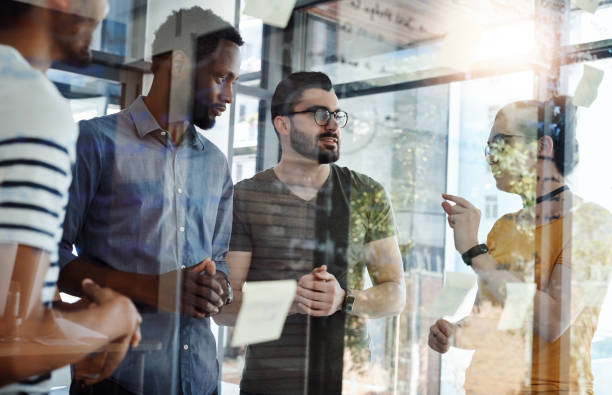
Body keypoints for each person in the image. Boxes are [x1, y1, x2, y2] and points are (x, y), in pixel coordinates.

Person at [56, 7, 243, 395]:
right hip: (116, 380)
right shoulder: (93, 143)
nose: (227, 95)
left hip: (202, 380)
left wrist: (217, 286)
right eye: (220, 77)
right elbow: (48, 260)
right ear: (177, 63)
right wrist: (150, 288)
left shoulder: (215, 162)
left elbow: (219, 259)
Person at [215, 71, 406, 394]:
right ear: (283, 124)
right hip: (269, 384)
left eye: (335, 115)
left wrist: (344, 299)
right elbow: (223, 308)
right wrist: (292, 299)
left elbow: (395, 294)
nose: (331, 124)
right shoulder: (246, 196)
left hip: (348, 382)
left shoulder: (366, 193)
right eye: (319, 114)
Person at [0, 0, 142, 393]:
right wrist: (115, 318)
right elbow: (8, 344)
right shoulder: (30, 104)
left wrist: (60, 316)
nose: (108, 8)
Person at [428, 96, 612, 393]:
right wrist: (454, 333)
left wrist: (475, 252)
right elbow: (494, 322)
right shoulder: (504, 227)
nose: (491, 156)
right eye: (489, 147)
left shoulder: (592, 222)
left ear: (542, 147)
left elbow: (553, 322)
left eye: (501, 142)